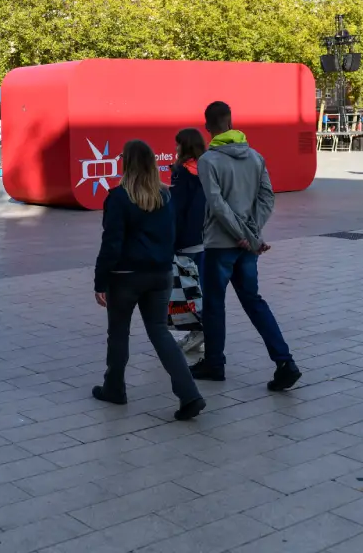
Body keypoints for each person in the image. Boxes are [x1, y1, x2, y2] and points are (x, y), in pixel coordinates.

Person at [190, 101, 301, 391]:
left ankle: (215, 363)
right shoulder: (255, 157)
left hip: (218, 245)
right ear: (231, 121)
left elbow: (216, 205)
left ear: (208, 126)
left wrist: (240, 233)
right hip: (247, 247)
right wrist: (250, 235)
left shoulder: (207, 161)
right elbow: (267, 199)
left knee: (214, 305)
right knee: (253, 300)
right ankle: (284, 361)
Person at [92, 139, 206, 419]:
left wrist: (100, 281)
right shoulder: (166, 196)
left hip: (125, 277)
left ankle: (115, 388)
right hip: (160, 275)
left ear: (127, 164)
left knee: (118, 333)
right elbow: (172, 235)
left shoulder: (118, 197)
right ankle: (189, 393)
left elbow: (111, 244)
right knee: (159, 332)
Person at [170, 128, 208, 354]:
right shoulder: (207, 168)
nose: (175, 149)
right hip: (206, 238)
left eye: (178, 144)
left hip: (185, 240)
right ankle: (203, 331)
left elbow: (177, 209)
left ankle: (197, 330)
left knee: (186, 289)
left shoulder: (181, 172)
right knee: (200, 287)